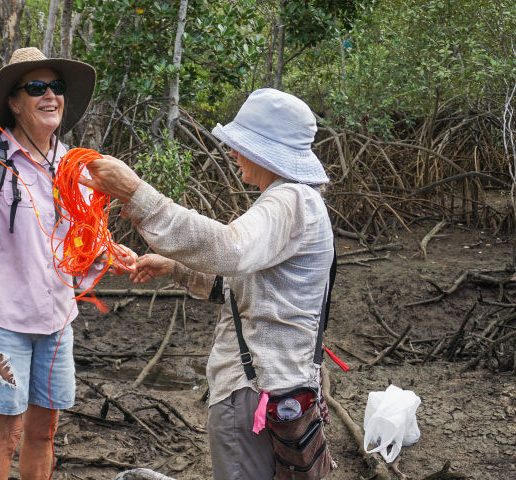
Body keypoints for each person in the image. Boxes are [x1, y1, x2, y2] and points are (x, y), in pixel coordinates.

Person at [79, 88, 335, 479]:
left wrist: (136, 194)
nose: (233, 153)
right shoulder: (298, 201)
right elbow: (244, 286)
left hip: (257, 389)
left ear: (265, 151)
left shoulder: (289, 202)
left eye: (239, 145)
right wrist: (174, 266)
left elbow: (230, 251)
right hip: (284, 386)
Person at [0, 47, 136, 479]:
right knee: (4, 438)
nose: (50, 96)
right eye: (36, 87)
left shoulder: (72, 163)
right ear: (15, 102)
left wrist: (108, 253)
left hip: (57, 319)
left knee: (43, 435)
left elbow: (74, 239)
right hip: (3, 320)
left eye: (56, 87)